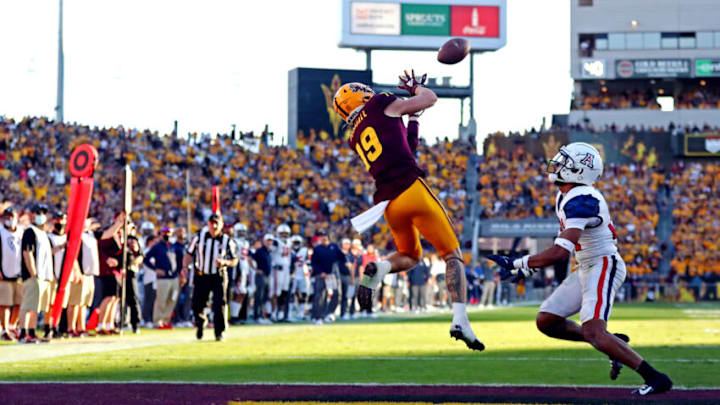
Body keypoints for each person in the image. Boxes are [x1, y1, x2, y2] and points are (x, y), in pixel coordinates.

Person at [487, 142, 672, 395]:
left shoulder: (583, 199)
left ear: (578, 171)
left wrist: (518, 262)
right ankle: (612, 342)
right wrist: (529, 269)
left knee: (593, 330)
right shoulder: (565, 195)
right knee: (547, 321)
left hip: (603, 264)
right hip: (585, 266)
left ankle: (655, 378)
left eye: (565, 162)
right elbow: (561, 241)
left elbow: (560, 252)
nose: (558, 165)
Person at [332, 74, 483, 351]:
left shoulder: (354, 135)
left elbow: (407, 147)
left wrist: (414, 119)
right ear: (362, 95)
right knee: (452, 255)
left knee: (411, 256)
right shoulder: (379, 103)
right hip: (411, 189)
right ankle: (460, 319)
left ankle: (381, 267)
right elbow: (430, 98)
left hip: (388, 204)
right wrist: (415, 89)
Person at [184, 214, 238, 341]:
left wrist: (225, 262)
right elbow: (189, 254)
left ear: (221, 225)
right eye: (211, 223)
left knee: (219, 303)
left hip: (218, 275)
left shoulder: (227, 241)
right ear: (208, 224)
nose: (214, 226)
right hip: (202, 275)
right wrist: (185, 268)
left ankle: (219, 332)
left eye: (216, 223)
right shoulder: (199, 237)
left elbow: (235, 259)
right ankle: (200, 323)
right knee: (197, 303)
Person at [18, 204, 55, 343]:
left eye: (43, 213)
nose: (41, 216)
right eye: (38, 213)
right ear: (32, 215)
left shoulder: (43, 233)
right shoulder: (30, 231)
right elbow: (28, 253)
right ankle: (23, 333)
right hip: (35, 275)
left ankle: (32, 332)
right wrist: (33, 273)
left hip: (45, 275)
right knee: (27, 305)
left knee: (36, 307)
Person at [96, 212, 127, 334]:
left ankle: (109, 324)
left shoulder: (120, 235)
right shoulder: (108, 233)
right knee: (108, 297)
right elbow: (99, 247)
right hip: (108, 270)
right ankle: (101, 324)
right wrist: (106, 260)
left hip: (117, 271)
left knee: (115, 298)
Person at [145, 227, 179, 329]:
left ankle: (166, 320)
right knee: (161, 300)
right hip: (163, 278)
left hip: (174, 277)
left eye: (169, 233)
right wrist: (155, 269)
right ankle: (157, 321)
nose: (167, 235)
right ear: (161, 235)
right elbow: (146, 259)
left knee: (172, 299)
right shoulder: (157, 247)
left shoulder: (172, 246)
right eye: (165, 233)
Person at [309, 231, 344, 325]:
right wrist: (320, 272)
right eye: (322, 236)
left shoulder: (334, 247)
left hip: (332, 275)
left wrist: (347, 262)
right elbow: (313, 263)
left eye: (325, 236)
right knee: (319, 296)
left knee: (337, 293)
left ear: (329, 237)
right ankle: (318, 317)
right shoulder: (317, 249)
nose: (324, 238)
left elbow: (342, 257)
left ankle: (330, 312)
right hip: (321, 275)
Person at [0, 207, 24, 341]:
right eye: (7, 217)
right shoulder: (0, 231)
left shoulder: (21, 231)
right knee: (4, 303)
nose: (10, 219)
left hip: (18, 272)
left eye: (12, 216)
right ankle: (4, 329)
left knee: (19, 302)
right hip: (4, 273)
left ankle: (12, 325)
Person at [269, 224, 292, 322]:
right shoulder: (276, 242)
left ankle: (281, 314)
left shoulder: (289, 242)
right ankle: (273, 313)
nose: (284, 235)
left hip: (286, 269)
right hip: (278, 269)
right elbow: (270, 253)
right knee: (276, 292)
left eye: (286, 234)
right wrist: (273, 264)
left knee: (284, 292)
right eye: (282, 233)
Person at [250, 234, 273, 324]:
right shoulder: (260, 251)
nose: (269, 242)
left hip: (267, 276)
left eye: (270, 240)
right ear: (264, 241)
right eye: (268, 240)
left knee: (264, 297)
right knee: (259, 296)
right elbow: (250, 258)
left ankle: (262, 315)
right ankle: (257, 316)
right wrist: (255, 269)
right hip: (261, 276)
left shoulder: (269, 251)